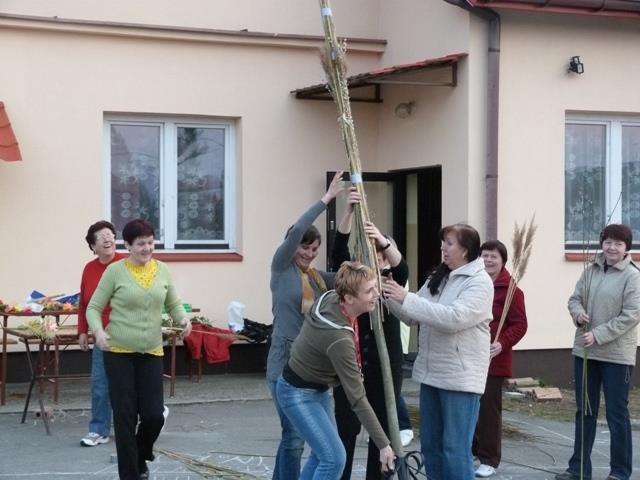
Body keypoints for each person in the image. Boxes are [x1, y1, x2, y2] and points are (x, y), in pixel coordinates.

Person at [382, 223, 494, 480]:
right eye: (443, 242)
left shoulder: (479, 282)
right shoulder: (439, 276)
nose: (443, 247)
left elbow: (453, 318)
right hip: (432, 374)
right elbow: (412, 315)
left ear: (466, 250)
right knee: (431, 447)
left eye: (450, 243)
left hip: (460, 379)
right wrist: (388, 294)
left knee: (454, 449)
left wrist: (405, 298)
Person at [87, 219, 192, 480]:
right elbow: (93, 307)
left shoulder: (163, 270)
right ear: (129, 246)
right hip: (118, 352)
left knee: (154, 415)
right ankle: (131, 474)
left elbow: (174, 303)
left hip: (151, 353)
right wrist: (98, 332)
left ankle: (141, 452)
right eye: (140, 244)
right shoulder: (114, 272)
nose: (147, 248)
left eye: (150, 242)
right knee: (124, 417)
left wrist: (183, 319)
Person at [276, 261, 396, 479]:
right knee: (334, 458)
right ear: (349, 298)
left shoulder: (332, 297)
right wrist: (384, 445)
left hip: (317, 389)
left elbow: (340, 274)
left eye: (375, 288)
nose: (376, 294)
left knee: (323, 455)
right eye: (369, 291)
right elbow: (357, 399)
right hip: (296, 393)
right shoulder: (338, 338)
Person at [266, 171, 344, 480]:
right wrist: (327, 199)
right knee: (294, 438)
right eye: (304, 248)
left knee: (314, 442)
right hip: (283, 362)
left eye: (314, 250)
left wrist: (350, 215)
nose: (309, 254)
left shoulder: (316, 278)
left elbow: (345, 275)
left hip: (312, 366)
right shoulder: (281, 267)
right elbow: (299, 228)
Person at [331, 189, 409, 480]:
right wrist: (349, 213)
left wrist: (384, 241)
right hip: (351, 367)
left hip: (384, 368)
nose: (375, 258)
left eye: (380, 254)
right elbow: (339, 253)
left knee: (383, 435)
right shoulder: (355, 284)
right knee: (345, 430)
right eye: (370, 252)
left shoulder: (390, 285)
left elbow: (402, 267)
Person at [556, 224, 640, 480]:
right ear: (602, 243)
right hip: (585, 353)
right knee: (585, 411)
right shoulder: (590, 269)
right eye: (608, 242)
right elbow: (574, 299)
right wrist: (578, 314)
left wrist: (600, 334)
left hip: (615, 356)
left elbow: (631, 315)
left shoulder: (633, 276)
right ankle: (578, 469)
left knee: (617, 414)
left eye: (618, 243)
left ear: (627, 248)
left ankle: (620, 472)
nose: (612, 247)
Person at [472, 240, 528, 478]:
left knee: (488, 411)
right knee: (470, 406)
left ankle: (489, 458)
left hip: (494, 360)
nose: (488, 260)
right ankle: (473, 450)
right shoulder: (473, 284)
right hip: (470, 356)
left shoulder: (512, 290)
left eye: (493, 256)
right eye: (484, 256)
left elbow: (520, 325)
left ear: (503, 260)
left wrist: (502, 343)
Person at [77, 221, 127, 447]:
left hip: (127, 333)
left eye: (110, 234)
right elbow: (84, 303)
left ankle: (146, 419)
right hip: (100, 335)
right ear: (92, 246)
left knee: (128, 384)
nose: (108, 239)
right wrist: (82, 331)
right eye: (101, 237)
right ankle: (99, 430)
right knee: (100, 384)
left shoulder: (127, 264)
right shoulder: (89, 268)